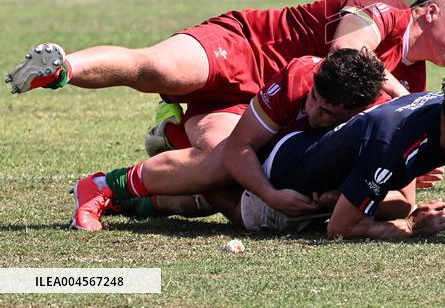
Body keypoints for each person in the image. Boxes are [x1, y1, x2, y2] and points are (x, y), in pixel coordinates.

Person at [7, 0, 445, 162]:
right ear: (430, 11)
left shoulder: (414, 80)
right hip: (245, 46)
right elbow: (345, 53)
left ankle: (170, 139)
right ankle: (61, 67)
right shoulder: (387, 9)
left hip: (265, 108)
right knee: (155, 69)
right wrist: (405, 104)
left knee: (226, 166)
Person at [226, 61, 445, 240]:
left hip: (313, 156)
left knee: (397, 203)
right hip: (284, 181)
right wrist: (412, 227)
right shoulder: (391, 146)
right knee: (199, 199)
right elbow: (339, 230)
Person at [69, 48, 387, 231]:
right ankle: (105, 184)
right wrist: (272, 195)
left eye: (329, 112)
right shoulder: (299, 78)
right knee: (219, 169)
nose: (315, 112)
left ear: (358, 110)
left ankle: (131, 201)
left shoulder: (380, 116)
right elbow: (238, 148)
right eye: (314, 99)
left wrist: (344, 198)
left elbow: (401, 200)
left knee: (197, 202)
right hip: (247, 128)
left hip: (282, 160)